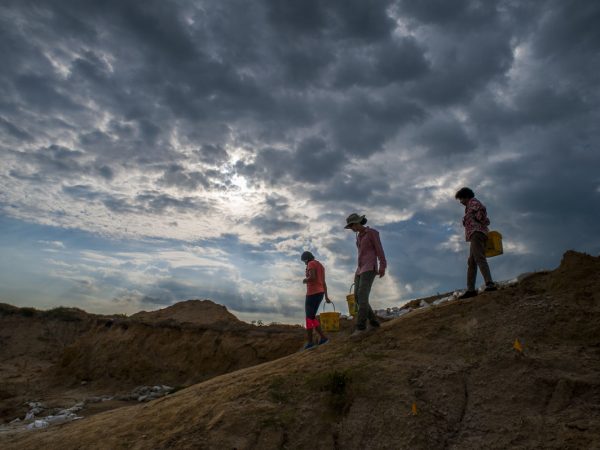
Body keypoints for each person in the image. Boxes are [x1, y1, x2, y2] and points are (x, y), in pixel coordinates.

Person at [344, 213, 386, 337]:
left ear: (357, 223)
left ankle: (361, 327)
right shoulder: (358, 238)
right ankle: (374, 322)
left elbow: (379, 249)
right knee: (356, 297)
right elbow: (360, 255)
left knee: (362, 296)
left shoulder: (372, 233)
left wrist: (382, 265)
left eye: (352, 226)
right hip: (360, 269)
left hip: (370, 268)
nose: (351, 229)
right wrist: (357, 272)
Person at [455, 187, 497, 299]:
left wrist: (479, 218)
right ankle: (471, 289)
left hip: (477, 233)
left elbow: (482, 213)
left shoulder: (474, 202)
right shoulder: (469, 206)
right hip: (476, 234)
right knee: (472, 262)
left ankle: (489, 284)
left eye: (461, 199)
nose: (461, 202)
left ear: (466, 197)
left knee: (479, 258)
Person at [301, 251, 331, 350]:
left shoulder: (311, 263)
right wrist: (326, 296)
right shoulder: (320, 266)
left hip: (312, 293)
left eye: (304, 261)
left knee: (309, 318)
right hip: (320, 292)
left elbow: (312, 277)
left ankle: (311, 342)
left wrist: (305, 280)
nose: (305, 263)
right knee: (311, 317)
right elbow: (324, 282)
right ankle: (322, 338)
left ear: (306, 259)